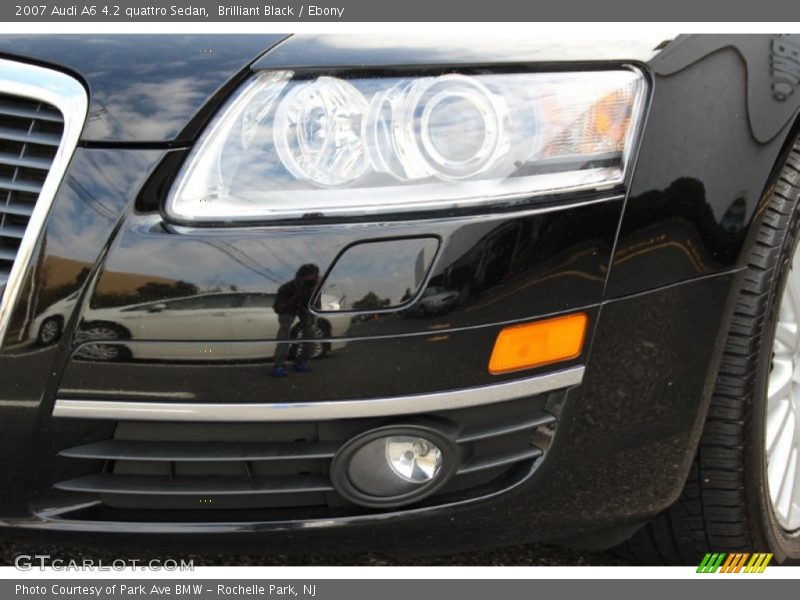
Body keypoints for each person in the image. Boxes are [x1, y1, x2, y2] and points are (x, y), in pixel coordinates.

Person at [271, 264, 320, 377]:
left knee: (310, 331)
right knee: (284, 330)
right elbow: (278, 308)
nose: (309, 282)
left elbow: (317, 308)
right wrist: (298, 293)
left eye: (314, 278)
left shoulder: (314, 287)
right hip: (288, 308)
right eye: (307, 278)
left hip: (303, 308)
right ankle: (279, 365)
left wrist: (315, 291)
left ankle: (302, 361)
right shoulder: (286, 288)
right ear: (299, 277)